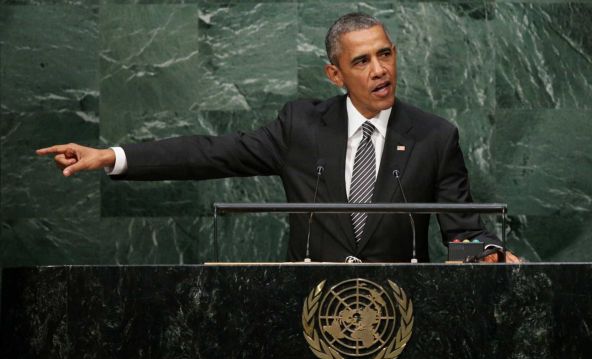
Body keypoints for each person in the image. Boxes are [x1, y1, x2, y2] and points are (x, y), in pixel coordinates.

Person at [37, 13, 519, 263]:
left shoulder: (434, 136)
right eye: (362, 61)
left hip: (398, 308)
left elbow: (463, 226)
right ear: (335, 74)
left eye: (385, 54)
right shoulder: (301, 126)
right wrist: (109, 156)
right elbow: (210, 153)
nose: (380, 70)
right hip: (305, 305)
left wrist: (487, 252)